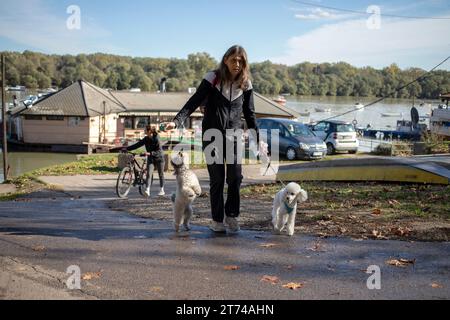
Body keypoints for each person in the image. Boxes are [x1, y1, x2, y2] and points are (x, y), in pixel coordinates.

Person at [172, 45, 265, 234]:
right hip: (211, 134)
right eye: (233, 60)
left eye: (241, 61)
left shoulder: (246, 84)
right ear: (226, 60)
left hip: (234, 135)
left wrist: (258, 139)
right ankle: (217, 220)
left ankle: (231, 215)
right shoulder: (212, 78)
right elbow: (195, 100)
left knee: (235, 177)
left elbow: (250, 113)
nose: (237, 64)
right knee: (217, 179)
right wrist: (178, 119)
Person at [124, 125, 166, 197]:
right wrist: (127, 149)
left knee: (160, 174)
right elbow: (137, 144)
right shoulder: (146, 139)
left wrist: (150, 153)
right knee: (149, 173)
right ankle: (147, 190)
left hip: (159, 158)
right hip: (151, 158)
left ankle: (162, 189)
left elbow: (159, 151)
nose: (144, 130)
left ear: (149, 131)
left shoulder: (157, 138)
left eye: (145, 129)